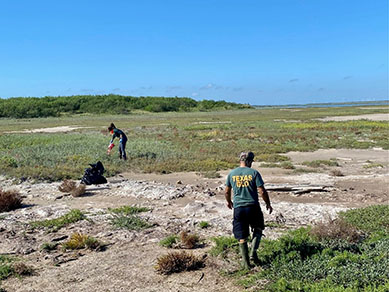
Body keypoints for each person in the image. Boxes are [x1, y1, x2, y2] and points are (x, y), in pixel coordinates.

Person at [225, 151, 273, 269]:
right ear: (249, 161)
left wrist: (229, 201)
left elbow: (226, 191)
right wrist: (268, 203)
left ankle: (246, 264)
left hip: (238, 208)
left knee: (241, 235)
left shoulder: (231, 174)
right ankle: (253, 252)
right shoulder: (254, 173)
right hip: (253, 206)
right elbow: (262, 191)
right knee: (258, 228)